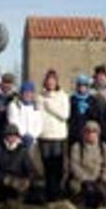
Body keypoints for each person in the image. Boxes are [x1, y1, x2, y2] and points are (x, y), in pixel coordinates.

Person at [37, 69, 70, 201]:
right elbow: (38, 115)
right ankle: (49, 193)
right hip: (44, 135)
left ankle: (57, 193)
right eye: (48, 80)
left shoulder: (63, 96)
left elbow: (65, 115)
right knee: (47, 166)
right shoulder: (40, 97)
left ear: (56, 82)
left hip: (58, 136)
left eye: (53, 80)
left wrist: (50, 106)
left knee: (57, 166)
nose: (51, 83)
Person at [68, 121, 106, 208]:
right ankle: (81, 201)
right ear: (83, 133)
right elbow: (74, 166)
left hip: (100, 180)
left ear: (98, 133)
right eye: (88, 131)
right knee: (74, 186)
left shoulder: (105, 147)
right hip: (83, 180)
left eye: (94, 131)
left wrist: (103, 179)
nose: (91, 134)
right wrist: (87, 180)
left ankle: (104, 200)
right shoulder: (77, 147)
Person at [0, 124, 37, 203]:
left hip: (17, 179)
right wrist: (5, 179)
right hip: (2, 179)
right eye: (9, 135)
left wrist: (27, 180)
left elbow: (31, 169)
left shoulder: (22, 150)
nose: (12, 138)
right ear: (5, 136)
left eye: (14, 135)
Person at [68, 75, 103, 145]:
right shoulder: (72, 99)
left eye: (84, 86)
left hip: (88, 132)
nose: (82, 88)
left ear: (87, 87)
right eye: (80, 85)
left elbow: (96, 116)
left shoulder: (92, 100)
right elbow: (69, 116)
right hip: (75, 132)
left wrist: (89, 109)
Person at [8, 82, 43, 149]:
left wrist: (33, 136)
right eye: (25, 92)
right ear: (21, 93)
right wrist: (23, 135)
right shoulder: (14, 105)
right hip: (17, 141)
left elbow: (39, 124)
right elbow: (13, 122)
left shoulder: (36, 107)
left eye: (30, 92)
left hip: (32, 141)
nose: (28, 94)